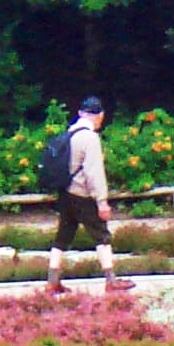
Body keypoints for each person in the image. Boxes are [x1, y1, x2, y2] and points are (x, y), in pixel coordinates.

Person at [47, 97, 119, 291]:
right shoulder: (90, 138)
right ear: (99, 117)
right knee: (101, 234)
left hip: (64, 193)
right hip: (82, 193)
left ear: (80, 114)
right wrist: (102, 201)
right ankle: (111, 280)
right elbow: (93, 172)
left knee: (63, 235)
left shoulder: (69, 134)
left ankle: (52, 281)